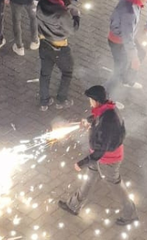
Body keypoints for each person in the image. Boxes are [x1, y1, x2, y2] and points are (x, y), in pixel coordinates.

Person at [58, 85, 137, 226]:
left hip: (108, 160)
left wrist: (81, 163)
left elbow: (101, 150)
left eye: (90, 100)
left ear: (96, 100)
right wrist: (89, 121)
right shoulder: (107, 109)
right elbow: (98, 117)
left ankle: (130, 214)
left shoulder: (108, 120)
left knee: (116, 185)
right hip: (99, 156)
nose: (89, 102)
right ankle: (73, 206)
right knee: (89, 179)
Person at [37, 0, 80, 110]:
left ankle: (44, 101)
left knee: (45, 74)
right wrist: (76, 14)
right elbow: (73, 28)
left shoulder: (41, 3)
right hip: (59, 48)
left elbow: (55, 5)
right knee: (67, 72)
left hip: (44, 44)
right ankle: (61, 100)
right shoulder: (62, 13)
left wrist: (68, 2)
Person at [108, 0, 147, 94]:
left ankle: (127, 79)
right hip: (119, 41)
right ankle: (107, 97)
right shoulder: (129, 13)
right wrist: (134, 58)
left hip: (125, 37)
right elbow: (127, 37)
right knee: (119, 70)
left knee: (141, 53)